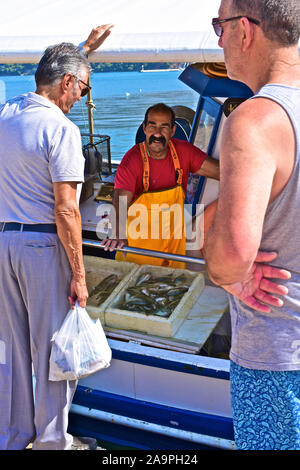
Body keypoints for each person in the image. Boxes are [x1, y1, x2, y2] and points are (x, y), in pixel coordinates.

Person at [0, 25, 112, 450]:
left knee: (9, 353)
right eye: (81, 88)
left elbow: (54, 73)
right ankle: (51, 442)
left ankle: (12, 438)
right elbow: (66, 209)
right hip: (42, 247)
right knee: (54, 354)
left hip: (4, 241)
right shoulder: (61, 130)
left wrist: (81, 52)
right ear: (68, 82)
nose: (81, 97)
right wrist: (80, 274)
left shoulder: (7, 114)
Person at [204, 0, 300, 450]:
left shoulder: (255, 120)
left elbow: (230, 259)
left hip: (278, 356)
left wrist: (232, 276)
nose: (218, 40)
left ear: (245, 30)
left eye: (219, 26)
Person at [101, 102, 220, 268]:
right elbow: (120, 200)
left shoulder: (184, 152)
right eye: (152, 126)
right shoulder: (131, 160)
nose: (157, 133)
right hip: (141, 251)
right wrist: (118, 233)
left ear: (172, 130)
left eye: (164, 127)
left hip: (174, 248)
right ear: (144, 128)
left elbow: (221, 171)